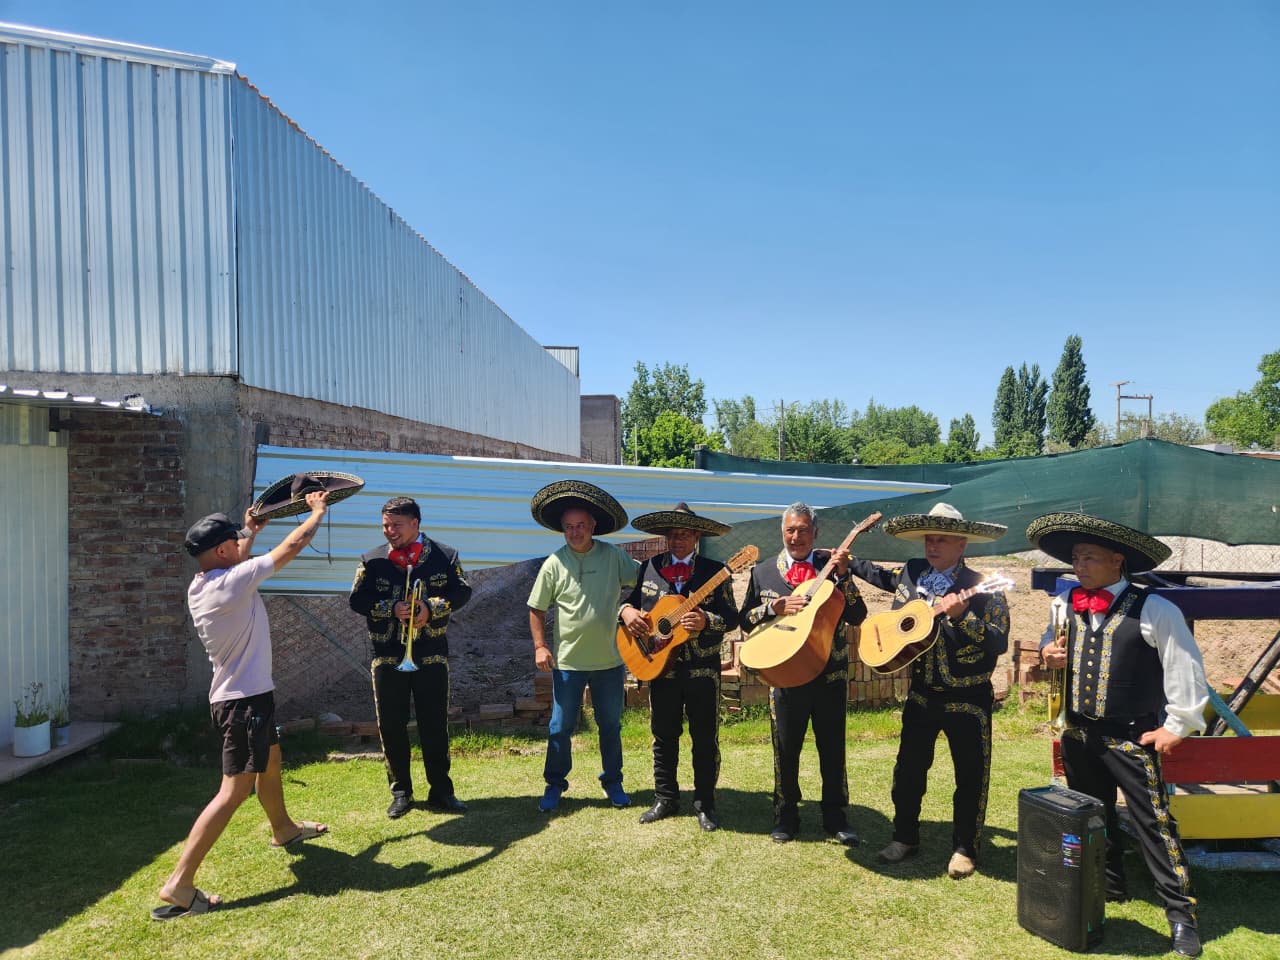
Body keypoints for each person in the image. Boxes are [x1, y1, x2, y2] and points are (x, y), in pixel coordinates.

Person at [1028, 512, 1207, 959]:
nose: (1079, 566)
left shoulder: (1156, 608)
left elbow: (1185, 667)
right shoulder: (1064, 603)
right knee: (1093, 817)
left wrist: (1178, 725)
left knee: (1154, 824)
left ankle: (1182, 916)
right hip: (1079, 735)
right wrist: (1049, 653)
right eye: (1075, 557)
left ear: (1117, 560)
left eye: (1089, 557)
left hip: (1131, 737)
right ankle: (1108, 888)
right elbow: (1052, 646)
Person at [152, 491, 331, 920]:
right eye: (233, 540)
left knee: (270, 761)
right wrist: (318, 512)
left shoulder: (204, 583)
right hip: (243, 704)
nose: (239, 545)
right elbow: (291, 547)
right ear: (220, 549)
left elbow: (238, 561)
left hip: (242, 699)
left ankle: (284, 829)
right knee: (233, 790)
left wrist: (249, 530)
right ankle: (179, 883)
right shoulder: (234, 581)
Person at [846, 502, 1009, 879]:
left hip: (968, 698)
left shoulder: (985, 586)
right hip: (922, 694)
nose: (932, 546)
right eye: (929, 539)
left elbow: (998, 642)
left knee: (969, 776)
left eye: (942, 540)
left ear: (962, 545)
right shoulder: (914, 571)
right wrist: (850, 563)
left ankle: (965, 848)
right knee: (908, 771)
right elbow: (885, 579)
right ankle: (905, 836)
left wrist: (963, 617)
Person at [740, 502, 868, 845]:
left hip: (830, 675)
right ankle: (786, 817)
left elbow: (857, 615)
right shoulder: (764, 572)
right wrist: (773, 607)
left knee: (832, 748)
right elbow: (745, 618)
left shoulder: (833, 569)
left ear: (816, 533)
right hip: (783, 676)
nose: (796, 536)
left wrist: (844, 577)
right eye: (790, 530)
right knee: (785, 749)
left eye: (803, 530)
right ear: (782, 533)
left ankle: (836, 817)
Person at [350, 496, 472, 819]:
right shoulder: (372, 560)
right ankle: (401, 791)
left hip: (431, 652)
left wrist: (431, 608)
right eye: (386, 526)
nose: (390, 532)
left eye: (396, 526)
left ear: (416, 523)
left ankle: (441, 790)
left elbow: (462, 591)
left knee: (435, 723)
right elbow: (356, 599)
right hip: (388, 653)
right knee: (391, 725)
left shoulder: (446, 556)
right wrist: (391, 608)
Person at [620, 503, 740, 831]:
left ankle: (705, 804)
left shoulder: (716, 572)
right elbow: (628, 602)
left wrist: (706, 620)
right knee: (663, 735)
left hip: (702, 668)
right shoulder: (649, 568)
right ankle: (665, 798)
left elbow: (732, 617)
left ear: (697, 536)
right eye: (672, 534)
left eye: (684, 534)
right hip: (659, 666)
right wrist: (625, 613)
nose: (677, 540)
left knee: (704, 737)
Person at [528, 480, 639, 812]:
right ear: (562, 530)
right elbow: (536, 608)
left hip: (609, 661)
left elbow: (643, 582)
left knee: (610, 725)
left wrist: (628, 608)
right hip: (567, 663)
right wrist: (540, 646)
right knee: (560, 727)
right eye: (568, 527)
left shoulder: (613, 556)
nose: (575, 532)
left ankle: (613, 782)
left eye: (580, 526)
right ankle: (554, 785)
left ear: (593, 526)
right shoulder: (553, 564)